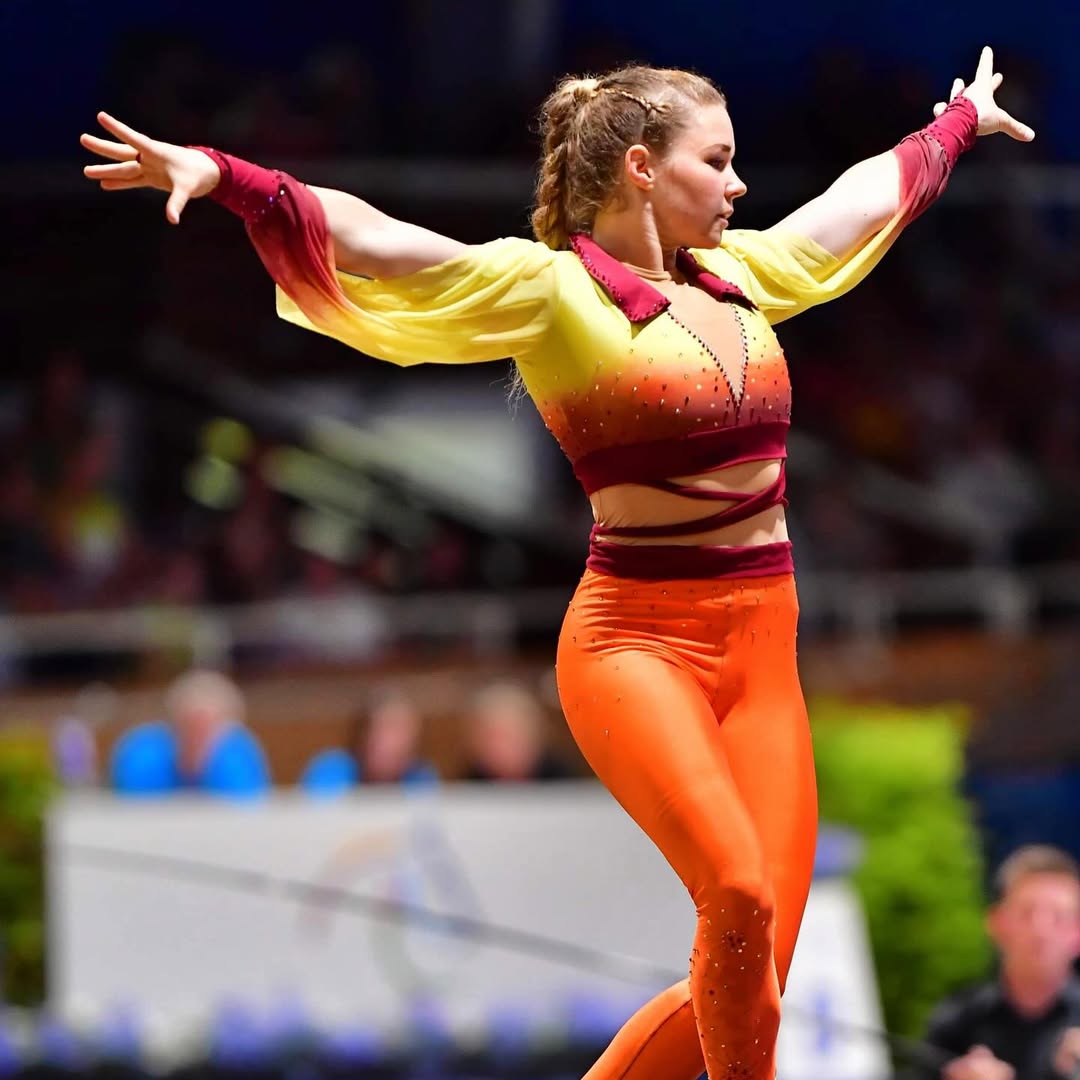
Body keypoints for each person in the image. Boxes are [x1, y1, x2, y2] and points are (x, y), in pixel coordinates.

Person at [81, 47, 1032, 1079]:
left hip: (763, 658)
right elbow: (384, 241)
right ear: (642, 168)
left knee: (753, 967)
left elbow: (860, 201)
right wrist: (226, 176)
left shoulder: (746, 276)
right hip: (637, 646)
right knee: (737, 894)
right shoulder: (552, 291)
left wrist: (955, 125)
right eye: (718, 161)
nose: (739, 185)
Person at [915, 845, 1080, 1080]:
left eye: (1058, 916)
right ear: (997, 923)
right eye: (1027, 913)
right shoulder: (958, 1021)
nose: (1041, 930)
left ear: (1077, 933)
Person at [110, 668, 270, 796]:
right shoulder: (142, 752)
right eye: (190, 722)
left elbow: (244, 808)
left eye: (208, 724)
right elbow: (136, 809)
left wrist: (204, 766)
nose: (198, 732)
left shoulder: (238, 751)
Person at [300, 684, 438, 794]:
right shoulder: (332, 770)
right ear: (363, 734)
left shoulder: (419, 777)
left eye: (405, 732)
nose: (397, 743)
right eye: (388, 728)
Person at [460, 679, 576, 782]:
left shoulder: (563, 779)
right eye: (492, 739)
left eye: (509, 737)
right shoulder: (471, 782)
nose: (500, 748)